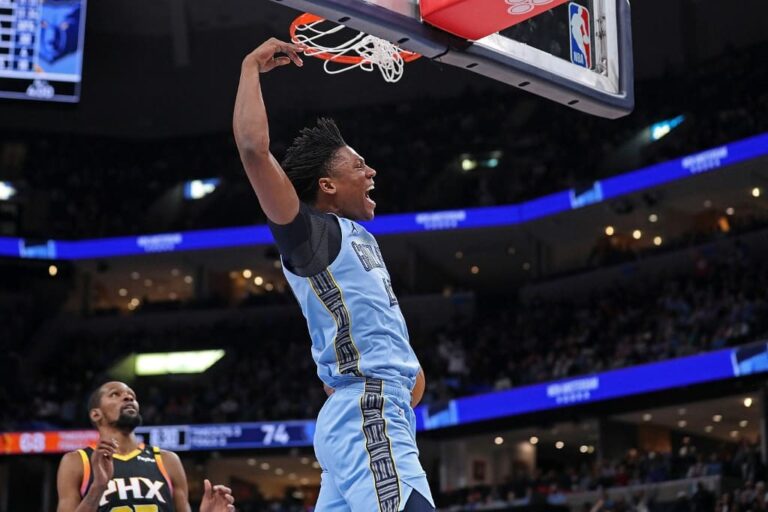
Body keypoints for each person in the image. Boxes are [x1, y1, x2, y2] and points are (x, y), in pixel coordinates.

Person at [233, 38, 434, 512]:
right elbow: (253, 150)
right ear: (327, 185)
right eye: (358, 165)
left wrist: (399, 380)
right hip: (369, 413)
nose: (371, 171)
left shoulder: (360, 237)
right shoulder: (313, 234)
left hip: (374, 410)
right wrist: (249, 68)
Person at [56, 381, 235, 512]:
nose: (128, 397)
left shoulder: (167, 460)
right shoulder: (77, 462)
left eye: (131, 396)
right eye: (114, 394)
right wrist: (98, 487)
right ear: (96, 414)